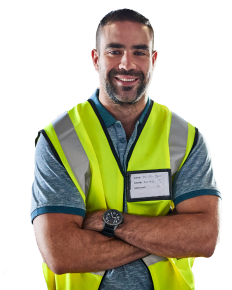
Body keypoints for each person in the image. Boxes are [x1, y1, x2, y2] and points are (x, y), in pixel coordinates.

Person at [31, 8, 222, 290]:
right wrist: (164, 234)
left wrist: (112, 222)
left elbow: (204, 238)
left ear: (153, 60)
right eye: (115, 51)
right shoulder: (58, 139)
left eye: (139, 52)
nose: (127, 64)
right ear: (95, 59)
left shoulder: (185, 138)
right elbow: (61, 252)